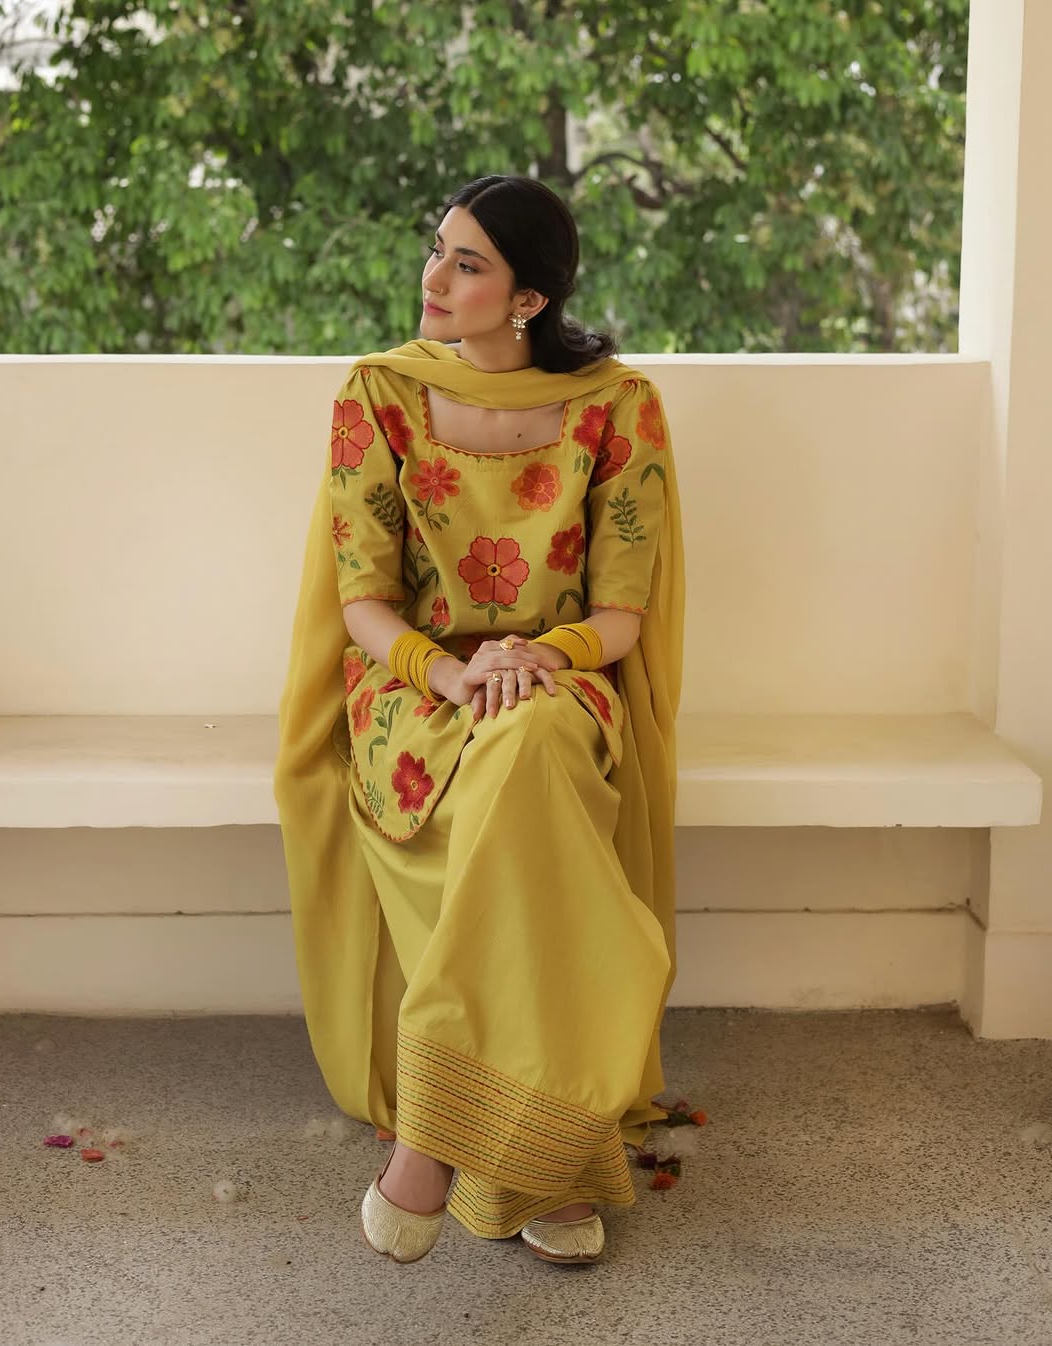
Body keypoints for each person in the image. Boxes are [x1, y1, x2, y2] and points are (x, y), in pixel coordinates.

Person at [274, 174, 685, 1265]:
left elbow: (620, 615)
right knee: (522, 773)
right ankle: (548, 1163)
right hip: (413, 690)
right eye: (437, 250)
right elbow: (362, 602)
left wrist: (527, 658)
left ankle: (434, 1136)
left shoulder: (617, 407)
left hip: (560, 675)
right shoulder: (377, 395)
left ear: (530, 299)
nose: (434, 277)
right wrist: (454, 674)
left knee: (534, 744)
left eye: (469, 263)